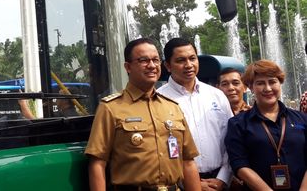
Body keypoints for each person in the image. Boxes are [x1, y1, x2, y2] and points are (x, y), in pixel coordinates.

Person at [85, 38, 201, 191]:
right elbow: (97, 163)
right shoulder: (111, 108)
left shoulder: (172, 107)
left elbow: (188, 161)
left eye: (155, 60)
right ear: (128, 67)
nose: (152, 66)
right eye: (143, 61)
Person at [157, 38, 233, 191]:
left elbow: (232, 140)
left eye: (192, 58)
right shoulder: (158, 99)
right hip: (180, 184)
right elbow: (159, 150)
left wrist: (223, 178)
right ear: (167, 65)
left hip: (221, 182)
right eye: (180, 60)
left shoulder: (216, 95)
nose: (189, 65)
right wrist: (193, 183)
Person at [225, 60, 307, 191]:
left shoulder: (302, 119)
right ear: (250, 87)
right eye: (260, 83)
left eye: (272, 82)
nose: (268, 88)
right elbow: (239, 165)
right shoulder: (238, 124)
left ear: (280, 83)